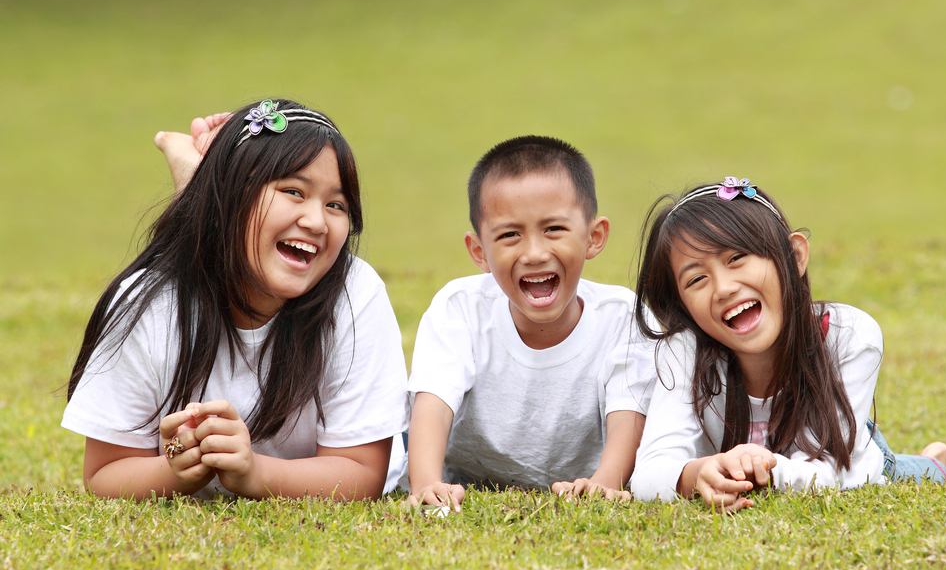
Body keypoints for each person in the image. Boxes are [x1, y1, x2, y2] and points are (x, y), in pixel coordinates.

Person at [63, 99, 409, 500]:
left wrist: (255, 471)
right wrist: (176, 469)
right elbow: (104, 474)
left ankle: (197, 176)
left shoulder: (354, 292)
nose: (317, 221)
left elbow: (361, 474)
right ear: (232, 194)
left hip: (225, 214)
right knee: (210, 248)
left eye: (336, 205)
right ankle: (199, 179)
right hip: (209, 234)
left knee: (226, 237)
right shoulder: (149, 303)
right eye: (294, 191)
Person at [629, 178, 946, 512]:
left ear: (794, 256)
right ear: (683, 306)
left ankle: (933, 459)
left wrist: (761, 467)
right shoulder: (683, 351)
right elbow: (648, 473)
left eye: (737, 257)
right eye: (696, 279)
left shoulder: (850, 335)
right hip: (774, 458)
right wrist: (695, 474)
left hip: (852, 453)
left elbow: (830, 473)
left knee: (909, 471)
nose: (723, 288)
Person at [405, 135, 658, 511]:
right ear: (480, 252)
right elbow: (432, 405)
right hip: (467, 480)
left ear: (594, 236)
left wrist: (604, 485)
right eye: (510, 235)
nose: (535, 253)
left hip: (585, 479)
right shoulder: (459, 309)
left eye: (554, 229)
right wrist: (426, 483)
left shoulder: (623, 317)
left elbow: (629, 415)